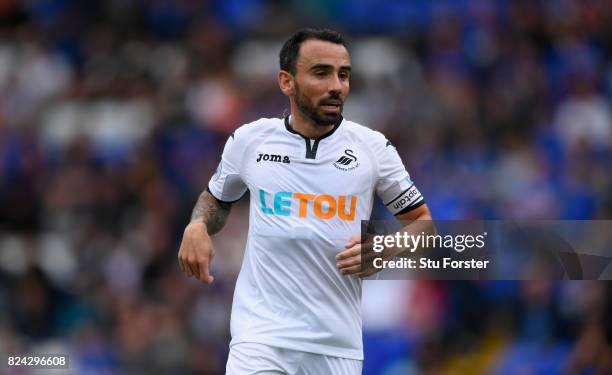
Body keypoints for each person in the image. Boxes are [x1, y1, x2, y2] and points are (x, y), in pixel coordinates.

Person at [178, 28, 432, 375]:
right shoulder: (250, 141)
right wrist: (197, 225)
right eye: (321, 73)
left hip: (335, 347)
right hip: (260, 339)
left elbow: (424, 226)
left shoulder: (373, 149)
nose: (336, 86)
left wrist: (387, 247)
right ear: (286, 82)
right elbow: (216, 199)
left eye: (343, 75)